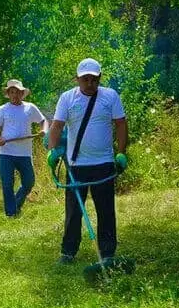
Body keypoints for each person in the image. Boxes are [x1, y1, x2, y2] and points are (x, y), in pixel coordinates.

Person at [48, 58, 129, 264]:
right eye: (86, 79)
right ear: (77, 79)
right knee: (74, 211)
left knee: (106, 210)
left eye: (94, 79)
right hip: (76, 165)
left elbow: (120, 124)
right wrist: (52, 151)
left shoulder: (110, 96)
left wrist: (121, 152)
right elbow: (56, 126)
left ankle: (108, 253)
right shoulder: (67, 98)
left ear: (99, 78)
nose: (90, 83)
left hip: (104, 163)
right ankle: (68, 252)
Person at [0, 79, 46, 217]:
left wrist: (43, 130)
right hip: (6, 152)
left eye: (18, 92)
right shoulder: (2, 110)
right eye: (12, 92)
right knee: (7, 183)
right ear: (8, 94)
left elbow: (43, 121)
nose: (15, 95)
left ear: (22, 93)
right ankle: (11, 213)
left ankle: (16, 204)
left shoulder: (30, 108)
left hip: (24, 153)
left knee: (29, 181)